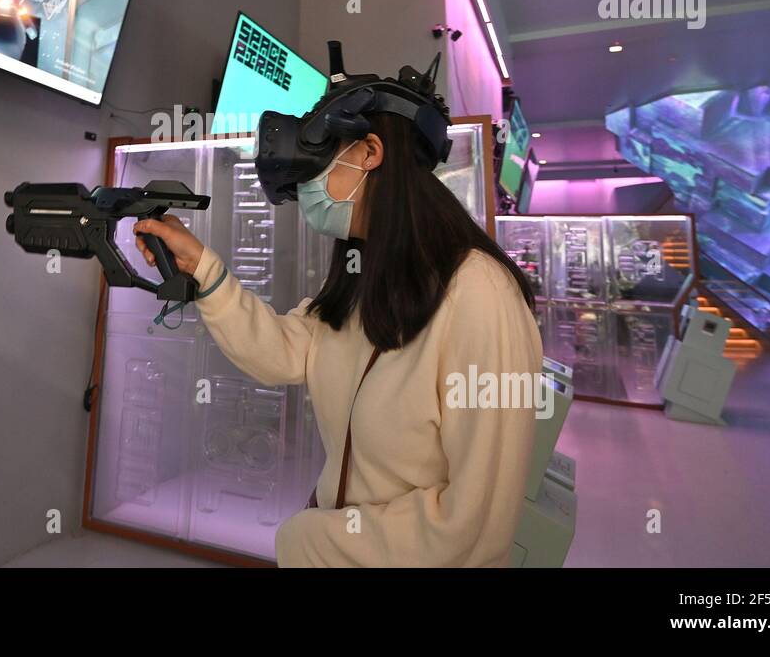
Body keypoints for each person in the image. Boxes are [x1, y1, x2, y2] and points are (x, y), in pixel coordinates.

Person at [133, 110, 542, 567]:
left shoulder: (480, 293)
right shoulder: (365, 280)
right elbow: (282, 351)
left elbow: (476, 524)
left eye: (319, 164)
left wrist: (314, 540)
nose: (307, 189)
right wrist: (202, 267)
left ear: (370, 152)